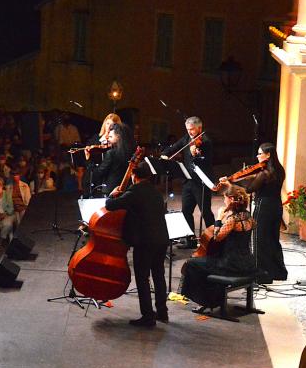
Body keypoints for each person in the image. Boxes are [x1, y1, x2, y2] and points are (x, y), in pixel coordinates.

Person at [106, 163, 169, 327]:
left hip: (145, 242)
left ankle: (148, 317)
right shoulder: (156, 192)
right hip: (162, 239)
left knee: (142, 278)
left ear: (134, 176)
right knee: (159, 275)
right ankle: (162, 312)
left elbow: (110, 206)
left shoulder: (134, 191)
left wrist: (111, 195)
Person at [216, 143, 288, 284]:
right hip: (276, 206)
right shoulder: (279, 170)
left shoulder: (264, 173)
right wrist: (249, 176)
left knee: (259, 240)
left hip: (264, 207)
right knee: (273, 239)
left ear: (268, 155)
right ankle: (278, 272)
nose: (257, 156)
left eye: (260, 153)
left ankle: (261, 275)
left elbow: (249, 190)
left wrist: (231, 184)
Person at [180, 186, 257, 309]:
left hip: (231, 264)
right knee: (204, 262)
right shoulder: (249, 217)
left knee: (192, 264)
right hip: (247, 262)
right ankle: (213, 299)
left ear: (231, 199)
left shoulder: (232, 219)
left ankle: (207, 301)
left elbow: (216, 237)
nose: (224, 201)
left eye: (225, 199)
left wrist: (219, 218)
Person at [162, 116, 214, 247]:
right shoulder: (186, 138)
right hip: (188, 181)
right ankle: (190, 240)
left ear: (199, 128)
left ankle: (214, 240)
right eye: (188, 129)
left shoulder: (206, 141)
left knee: (205, 212)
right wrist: (165, 154)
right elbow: (175, 147)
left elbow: (207, 160)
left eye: (192, 129)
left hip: (201, 182)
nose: (189, 132)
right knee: (186, 210)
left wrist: (196, 155)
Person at [88, 123, 134, 195]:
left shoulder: (111, 153)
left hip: (111, 190)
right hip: (127, 189)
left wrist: (91, 163)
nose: (107, 139)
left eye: (110, 137)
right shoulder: (132, 151)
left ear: (118, 137)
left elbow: (100, 172)